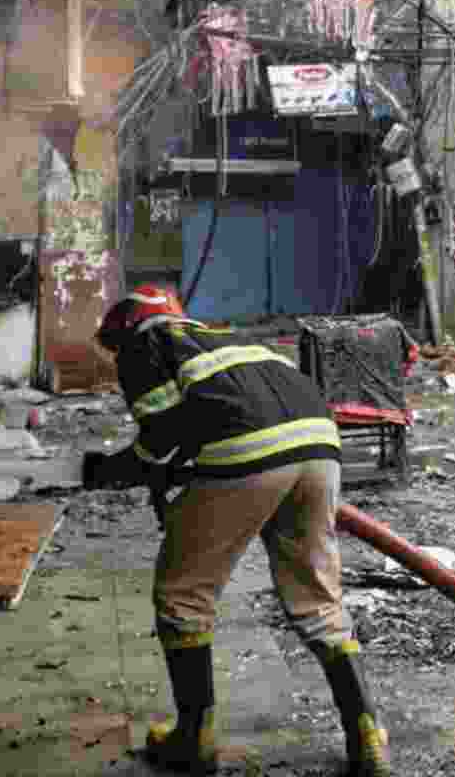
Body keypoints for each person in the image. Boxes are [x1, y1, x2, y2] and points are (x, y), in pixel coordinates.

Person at [81, 285, 391, 777]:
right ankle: (367, 733)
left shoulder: (146, 346)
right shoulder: (233, 341)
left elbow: (158, 440)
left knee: (183, 595)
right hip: (320, 447)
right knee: (318, 597)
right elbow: (203, 422)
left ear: (125, 329)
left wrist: (104, 471)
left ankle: (194, 739)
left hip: (248, 452)